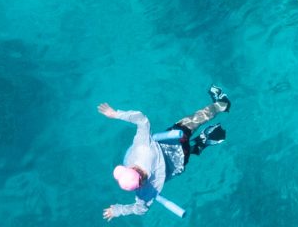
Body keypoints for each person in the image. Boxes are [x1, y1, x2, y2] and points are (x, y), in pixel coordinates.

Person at [99, 89, 231, 218]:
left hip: (180, 162)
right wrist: (116, 114)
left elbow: (140, 209)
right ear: (129, 168)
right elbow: (142, 119)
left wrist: (118, 210)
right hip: (175, 139)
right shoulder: (142, 148)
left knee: (186, 154)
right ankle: (222, 104)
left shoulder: (146, 191)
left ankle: (200, 144)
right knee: (194, 120)